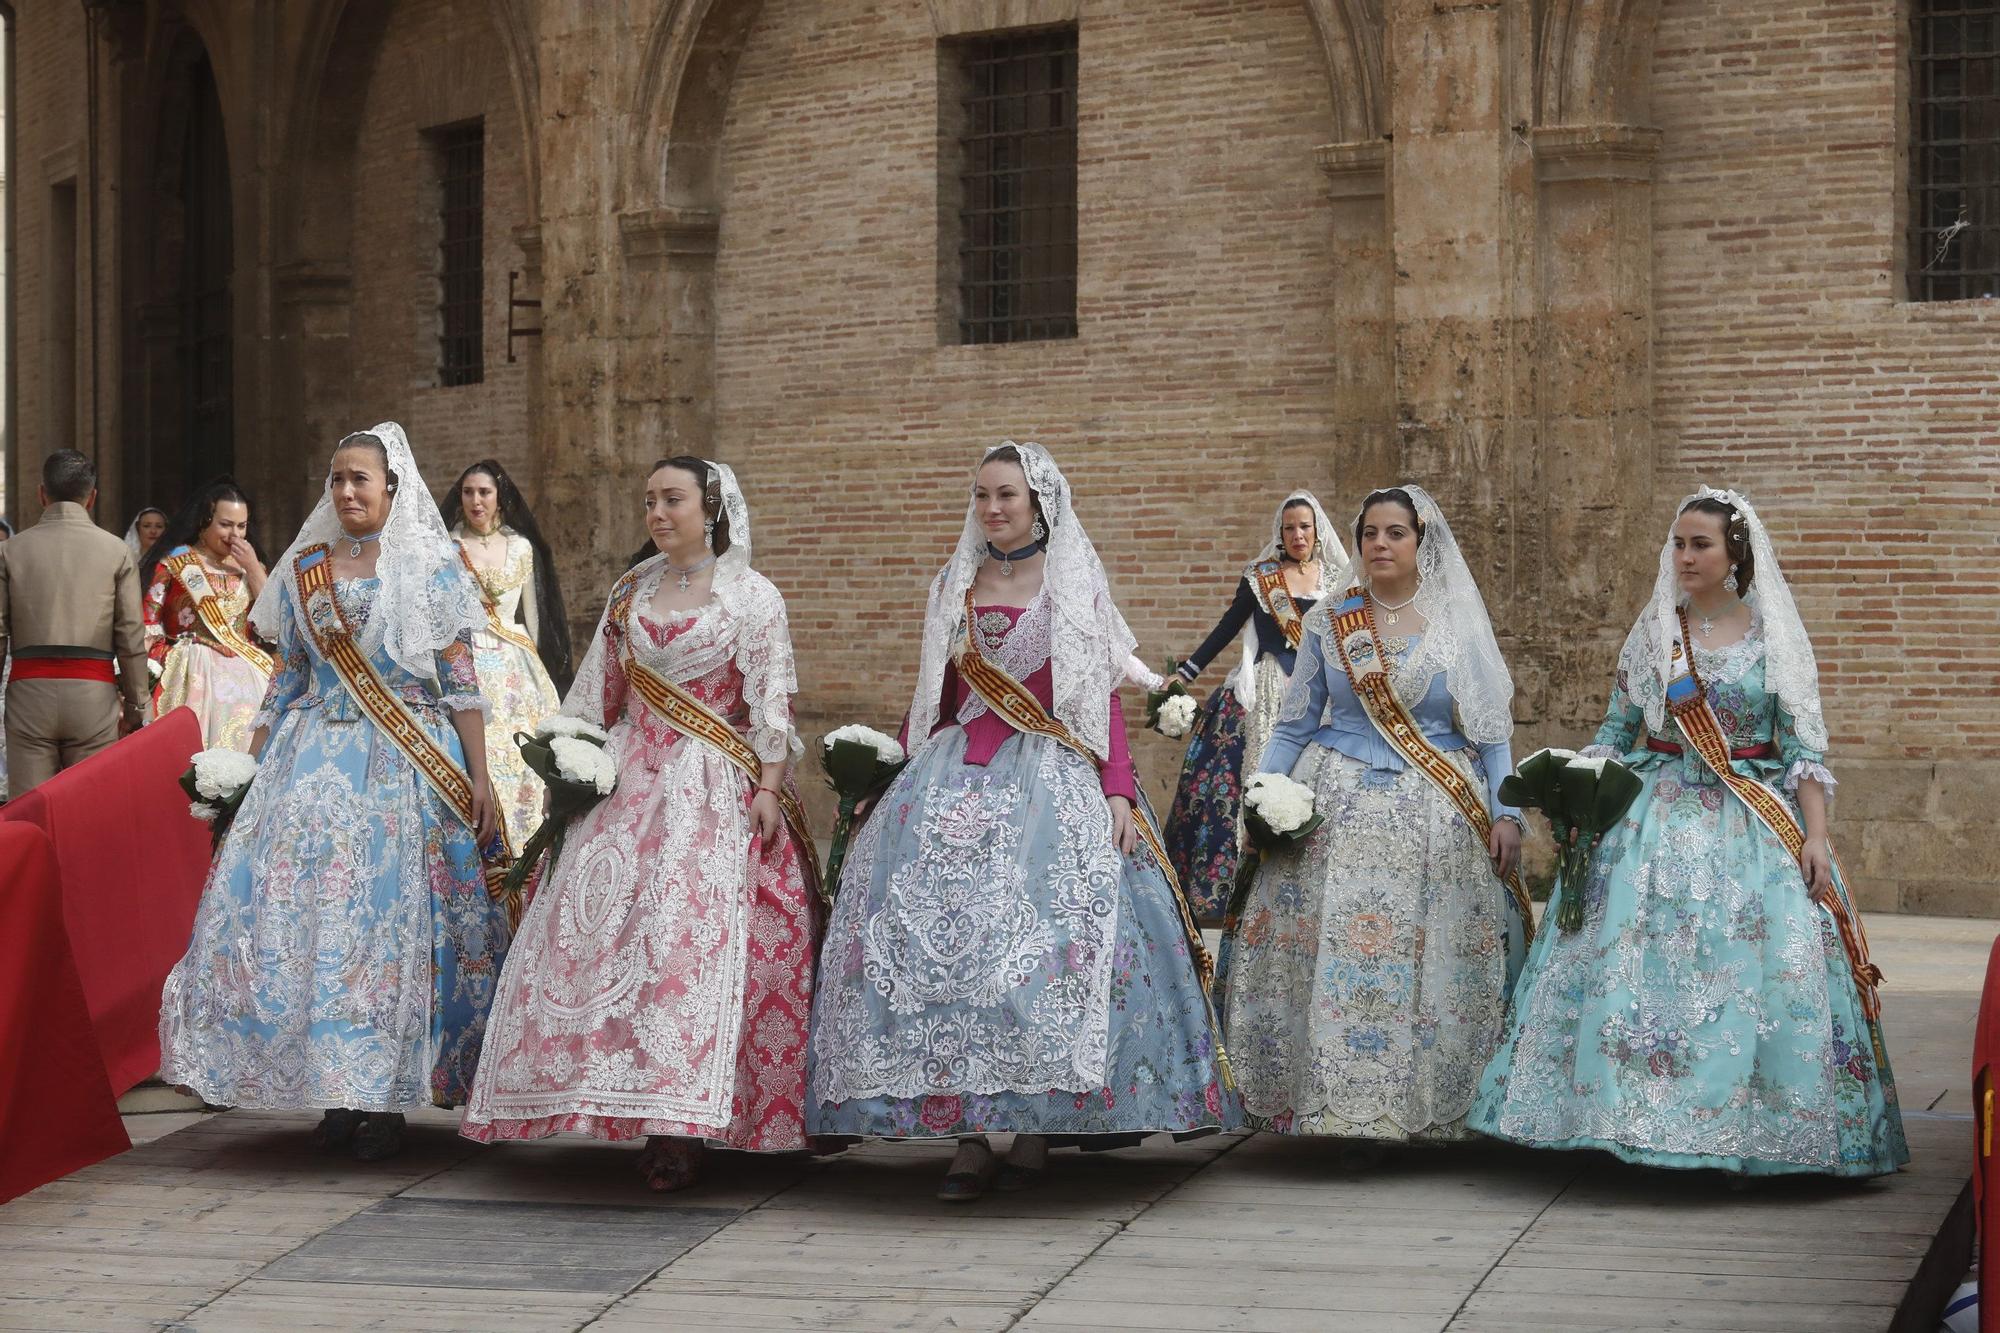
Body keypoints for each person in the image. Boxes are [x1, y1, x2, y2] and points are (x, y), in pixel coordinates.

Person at [808, 442, 1237, 1201]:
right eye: (981, 496)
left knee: (1046, 950)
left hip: (1052, 775)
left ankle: (1035, 1125)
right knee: (939, 955)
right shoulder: (954, 584)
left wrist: (1118, 789)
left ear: (1039, 503)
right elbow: (934, 698)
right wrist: (890, 775)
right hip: (951, 772)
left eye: (1006, 494)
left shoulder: (1073, 583)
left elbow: (1099, 693)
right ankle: (968, 1135)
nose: (992, 508)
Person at [1471, 488, 1908, 1178]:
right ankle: (1616, 1118)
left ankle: (1753, 1129)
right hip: (1652, 814)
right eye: (1677, 543)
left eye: (1699, 544)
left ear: (1735, 553)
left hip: (1751, 820)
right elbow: (1618, 729)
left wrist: (1816, 838)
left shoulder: (1775, 640)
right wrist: (1576, 780)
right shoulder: (1655, 634)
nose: (1684, 556)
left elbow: (1802, 752)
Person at [463, 457, 821, 1192]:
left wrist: (770, 783)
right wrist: (569, 764)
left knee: (681, 946)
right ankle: (614, 1102)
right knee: (607, 943)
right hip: (630, 784)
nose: (658, 512)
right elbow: (599, 691)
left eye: (673, 499)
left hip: (712, 787)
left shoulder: (752, 596)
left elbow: (772, 701)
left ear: (710, 507)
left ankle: (685, 1126)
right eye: (651, 500)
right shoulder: (632, 590)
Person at [158, 424, 508, 1162]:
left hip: (404, 768)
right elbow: (286, 679)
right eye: (337, 478)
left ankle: (382, 1095)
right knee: (312, 925)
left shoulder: (429, 567)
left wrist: (480, 776)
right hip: (308, 764)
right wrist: (245, 769)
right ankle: (335, 1089)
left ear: (392, 488)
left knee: (385, 931)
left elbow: (462, 683)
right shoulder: (305, 567)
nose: (346, 491)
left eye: (361, 479)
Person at [1218, 485, 1527, 1160]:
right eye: (1369, 534)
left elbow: (1492, 730)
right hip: (1336, 811)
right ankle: (1337, 1103)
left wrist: (1506, 812)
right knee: (1338, 957)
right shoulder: (1334, 618)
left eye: (1396, 533)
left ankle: (1420, 1103)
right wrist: (1263, 796)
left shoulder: (1455, 620)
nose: (1380, 544)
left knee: (1425, 957)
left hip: (1437, 816)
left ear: (1423, 542)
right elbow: (1295, 723)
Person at [1163, 491, 1349, 922]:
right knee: (1243, 777)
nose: (1297, 534)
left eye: (1304, 526)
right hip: (1265, 688)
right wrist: (1187, 672)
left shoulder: (1338, 580)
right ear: (1280, 534)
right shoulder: (1261, 577)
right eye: (1289, 528)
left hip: (1319, 695)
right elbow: (1228, 625)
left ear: (1316, 530)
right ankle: (1236, 886)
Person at [0, 451, 152, 793]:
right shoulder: (116, 551)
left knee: (29, 813)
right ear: (92, 496)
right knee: (90, 808)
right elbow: (130, 635)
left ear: (42, 493)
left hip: (29, 696)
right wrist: (136, 705)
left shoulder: (10, 551)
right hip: (93, 697)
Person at [441, 460, 570, 845]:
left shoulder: (521, 547)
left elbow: (532, 615)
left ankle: (527, 842)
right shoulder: (448, 546)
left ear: (500, 497)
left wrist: (538, 668)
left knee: (525, 758)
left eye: (484, 492)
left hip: (516, 664)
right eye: (468, 492)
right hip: (467, 658)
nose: (476, 500)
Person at [139, 479, 271, 751]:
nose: (234, 535)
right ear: (204, 522)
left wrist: (254, 568)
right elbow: (148, 623)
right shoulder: (176, 562)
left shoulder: (248, 566)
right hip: (191, 671)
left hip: (248, 672)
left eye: (241, 526)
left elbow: (272, 618)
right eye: (225, 525)